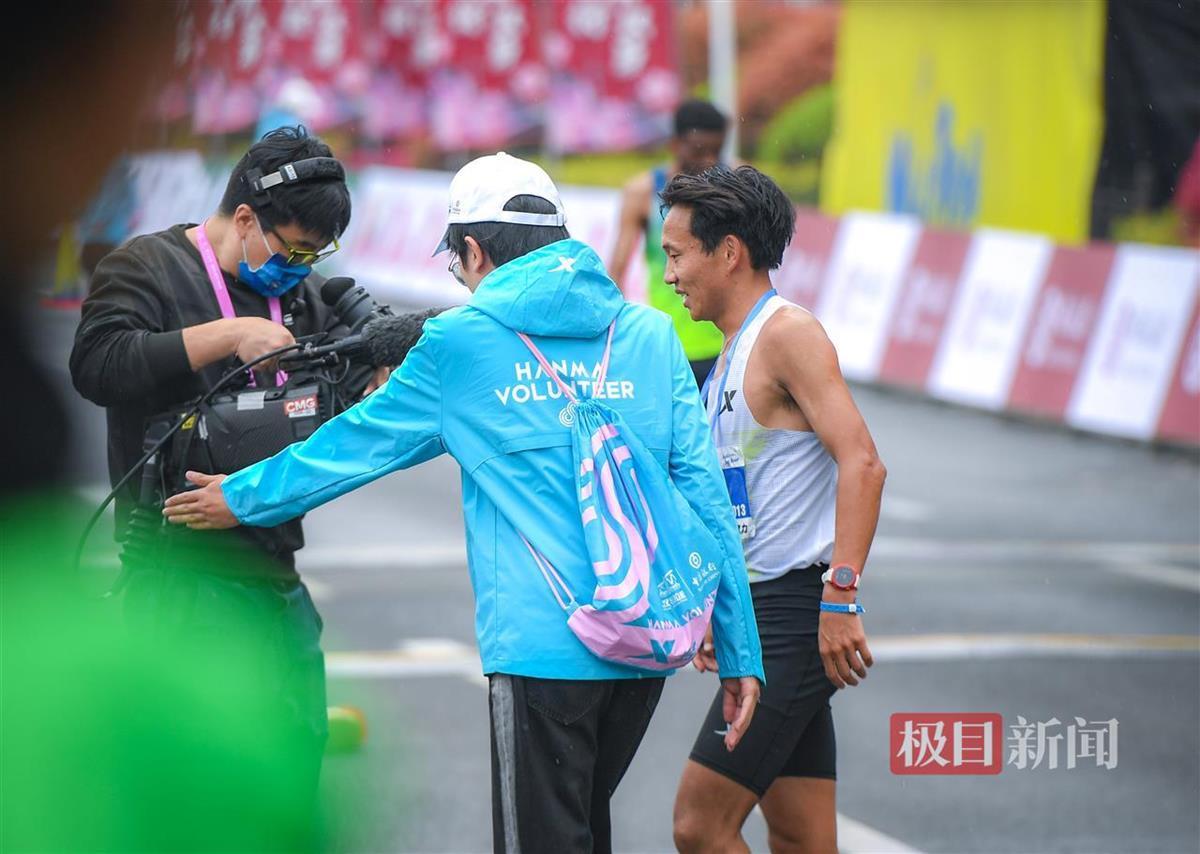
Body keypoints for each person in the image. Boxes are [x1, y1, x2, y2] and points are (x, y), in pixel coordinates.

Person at [163, 152, 766, 854]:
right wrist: (739, 648)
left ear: (475, 250)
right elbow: (705, 495)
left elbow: (351, 447)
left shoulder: (461, 343)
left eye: (458, 264)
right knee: (581, 828)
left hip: (545, 650)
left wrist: (238, 497)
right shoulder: (649, 335)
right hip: (646, 645)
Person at [69, 126, 391, 848]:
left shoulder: (304, 297)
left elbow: (323, 420)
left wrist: (370, 384)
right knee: (185, 809)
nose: (299, 270)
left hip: (274, 575)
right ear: (245, 217)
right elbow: (97, 366)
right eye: (292, 250)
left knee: (286, 794)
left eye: (315, 256)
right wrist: (228, 335)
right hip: (175, 575)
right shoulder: (145, 267)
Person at [661, 166, 886, 854]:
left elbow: (863, 462)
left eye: (675, 254)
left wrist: (840, 596)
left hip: (790, 620)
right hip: (756, 615)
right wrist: (715, 608)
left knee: (700, 829)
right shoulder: (731, 350)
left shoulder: (786, 334)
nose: (668, 275)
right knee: (800, 835)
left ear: (728, 252)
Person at [608, 99, 735, 387]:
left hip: (728, 343)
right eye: (700, 150)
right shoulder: (642, 192)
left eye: (718, 150)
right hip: (671, 345)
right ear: (675, 144)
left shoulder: (735, 186)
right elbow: (617, 270)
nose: (711, 161)